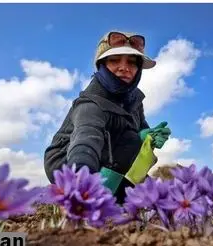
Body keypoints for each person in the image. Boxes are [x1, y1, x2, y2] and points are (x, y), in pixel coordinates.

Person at [44, 30, 171, 202]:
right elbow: (86, 138)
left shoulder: (134, 100)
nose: (124, 67)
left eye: (132, 62)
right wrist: (81, 178)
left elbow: (140, 129)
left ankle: (112, 194)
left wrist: (149, 135)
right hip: (68, 162)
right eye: (114, 60)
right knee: (130, 141)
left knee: (149, 192)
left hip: (111, 155)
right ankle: (88, 196)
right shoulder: (91, 104)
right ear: (102, 65)